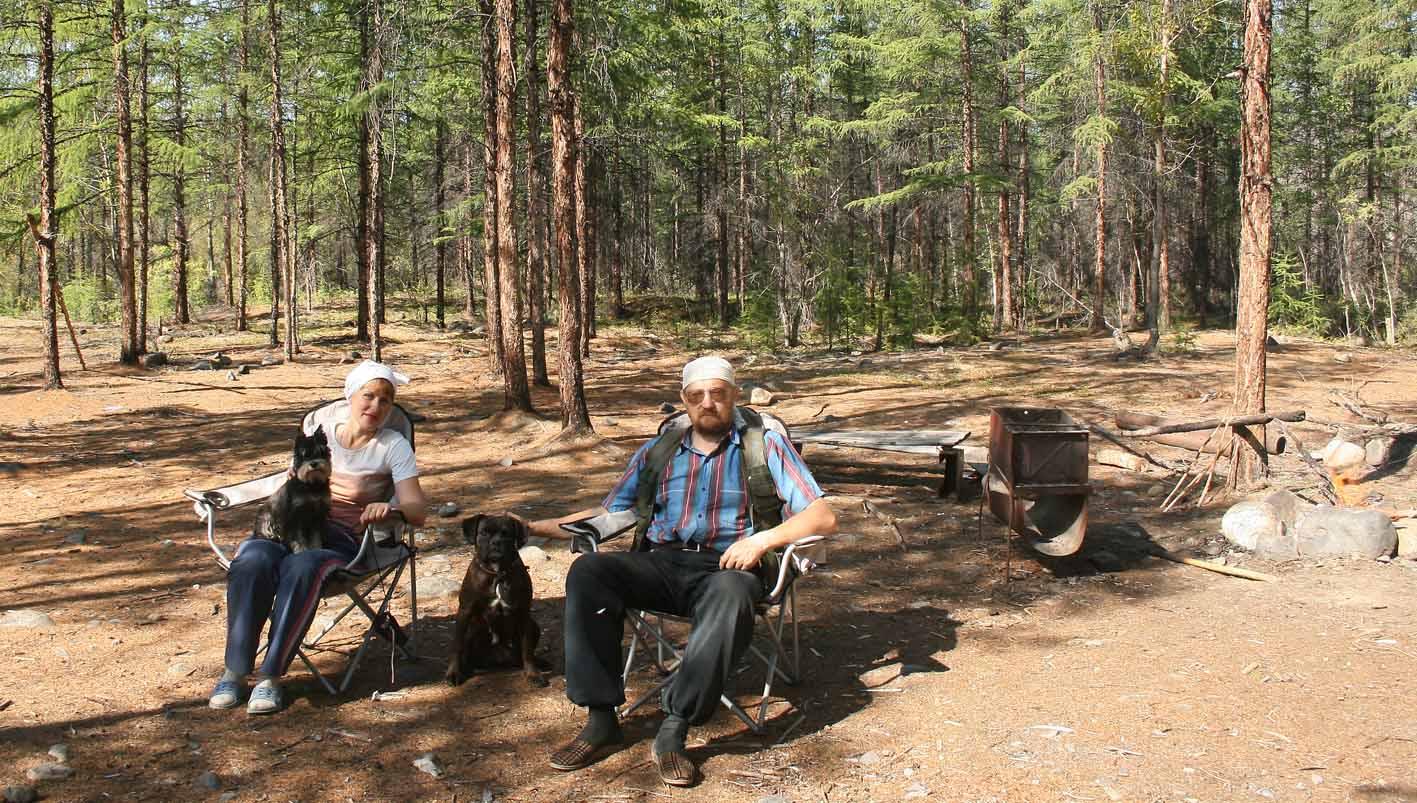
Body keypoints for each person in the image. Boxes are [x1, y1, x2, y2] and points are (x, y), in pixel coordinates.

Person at [529, 355, 836, 787]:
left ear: (735, 395)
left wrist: (761, 541)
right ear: (684, 400)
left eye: (718, 393)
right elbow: (611, 512)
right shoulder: (659, 451)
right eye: (697, 395)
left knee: (732, 592)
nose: (707, 403)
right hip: (661, 562)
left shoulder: (764, 445)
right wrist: (533, 527)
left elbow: (822, 516)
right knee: (589, 571)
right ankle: (600, 720)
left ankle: (674, 729)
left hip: (729, 565)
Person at [208, 360, 428, 714]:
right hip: (289, 525)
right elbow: (287, 479)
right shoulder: (320, 435)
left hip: (342, 542)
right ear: (350, 396)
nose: (376, 406)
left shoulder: (393, 445)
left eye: (385, 399)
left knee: (302, 566)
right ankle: (234, 671)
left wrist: (389, 509)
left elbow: (417, 510)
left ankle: (270, 677)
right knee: (252, 559)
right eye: (368, 395)